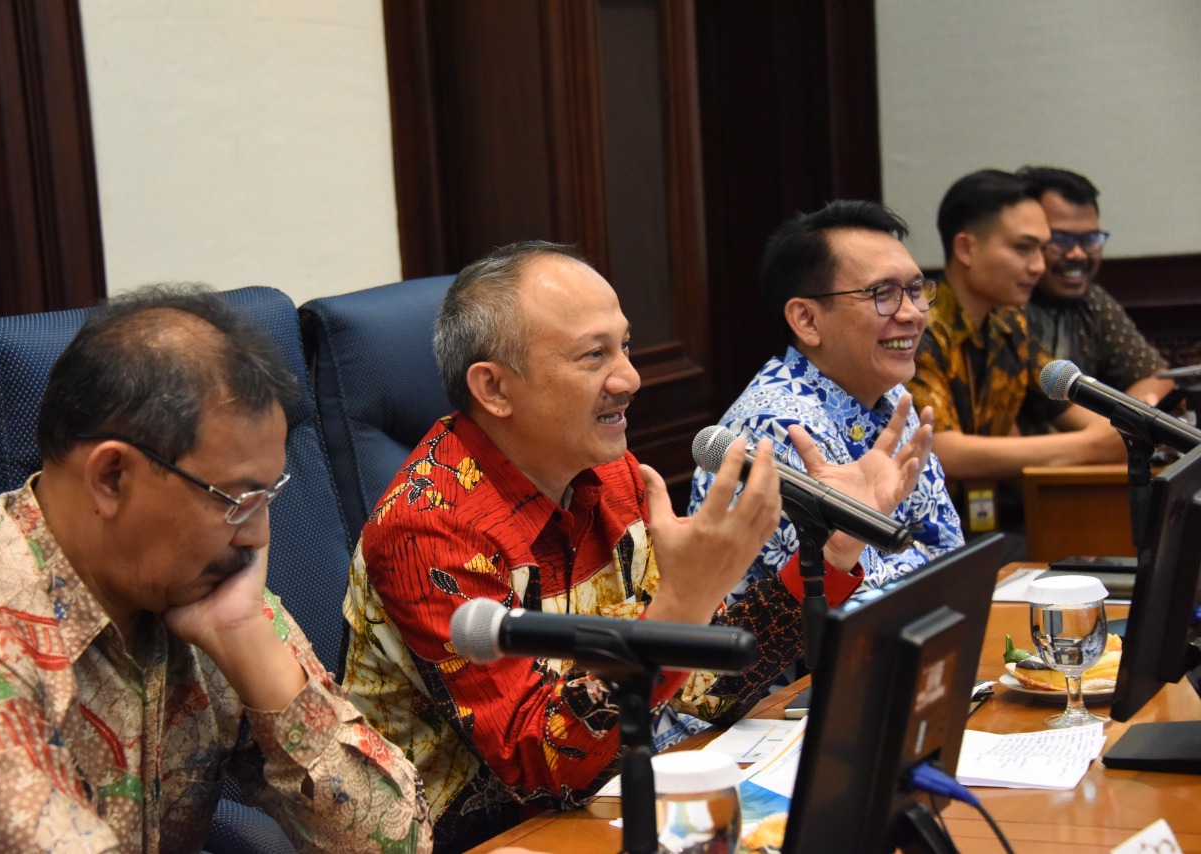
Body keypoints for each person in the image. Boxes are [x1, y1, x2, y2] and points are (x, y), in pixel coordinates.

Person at [340, 240, 933, 852]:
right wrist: (683, 601)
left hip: (612, 799)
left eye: (623, 345)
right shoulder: (429, 527)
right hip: (489, 835)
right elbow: (537, 767)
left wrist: (836, 549)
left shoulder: (611, 476)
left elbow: (696, 686)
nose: (630, 377)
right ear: (494, 388)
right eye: (594, 355)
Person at [0, 286, 432, 852]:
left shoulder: (209, 595)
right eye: (237, 500)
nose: (259, 537)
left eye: (269, 497)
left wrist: (251, 647)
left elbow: (398, 842)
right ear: (112, 476)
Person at [690, 200, 963, 599]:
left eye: (916, 290)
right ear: (807, 320)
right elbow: (850, 601)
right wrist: (913, 562)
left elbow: (950, 552)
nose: (913, 314)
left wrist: (904, 564)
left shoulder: (892, 397)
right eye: (883, 293)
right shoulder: (772, 428)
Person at [907, 170, 1124, 531]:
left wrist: (1117, 432)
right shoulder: (918, 327)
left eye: (1042, 248)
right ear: (965, 248)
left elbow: (1071, 409)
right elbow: (942, 450)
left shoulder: (1010, 324)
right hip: (921, 536)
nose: (1039, 266)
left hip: (989, 527)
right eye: (1023, 248)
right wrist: (1088, 447)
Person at [1016, 165, 1172, 425]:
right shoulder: (1003, 305)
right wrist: (1111, 431)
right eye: (1061, 239)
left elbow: (1156, 377)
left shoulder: (1091, 301)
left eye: (1090, 239)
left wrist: (1125, 421)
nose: (1078, 254)